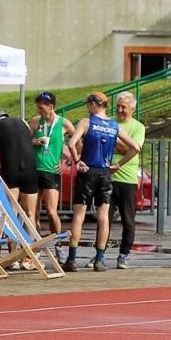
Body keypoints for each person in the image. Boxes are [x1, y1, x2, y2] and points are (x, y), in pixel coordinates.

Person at [63, 91, 140, 272]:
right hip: (105, 173)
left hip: (88, 170)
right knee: (103, 217)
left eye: (88, 105)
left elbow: (71, 143)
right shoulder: (114, 126)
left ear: (94, 104)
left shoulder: (87, 122)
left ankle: (72, 259)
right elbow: (136, 147)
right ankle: (99, 260)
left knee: (79, 215)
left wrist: (76, 162)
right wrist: (118, 165)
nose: (87, 108)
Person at [0, 109, 39, 270]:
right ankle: (30, 256)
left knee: (12, 213)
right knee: (29, 214)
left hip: (11, 170)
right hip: (30, 169)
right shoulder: (22, 122)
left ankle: (13, 257)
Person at [27, 91, 74, 238]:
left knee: (51, 211)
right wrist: (33, 142)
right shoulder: (35, 121)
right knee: (32, 211)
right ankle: (36, 244)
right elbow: (24, 142)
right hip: (34, 169)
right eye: (38, 107)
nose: (39, 110)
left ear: (51, 106)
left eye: (41, 107)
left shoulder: (64, 123)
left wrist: (68, 163)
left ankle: (58, 243)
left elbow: (78, 144)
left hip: (51, 171)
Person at [111, 92, 147, 269]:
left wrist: (115, 142)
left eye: (123, 107)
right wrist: (123, 145)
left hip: (127, 178)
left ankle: (123, 254)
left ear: (132, 108)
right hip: (107, 178)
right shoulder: (110, 123)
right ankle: (99, 254)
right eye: (118, 106)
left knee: (127, 220)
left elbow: (132, 149)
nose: (119, 110)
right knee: (104, 219)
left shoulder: (138, 127)